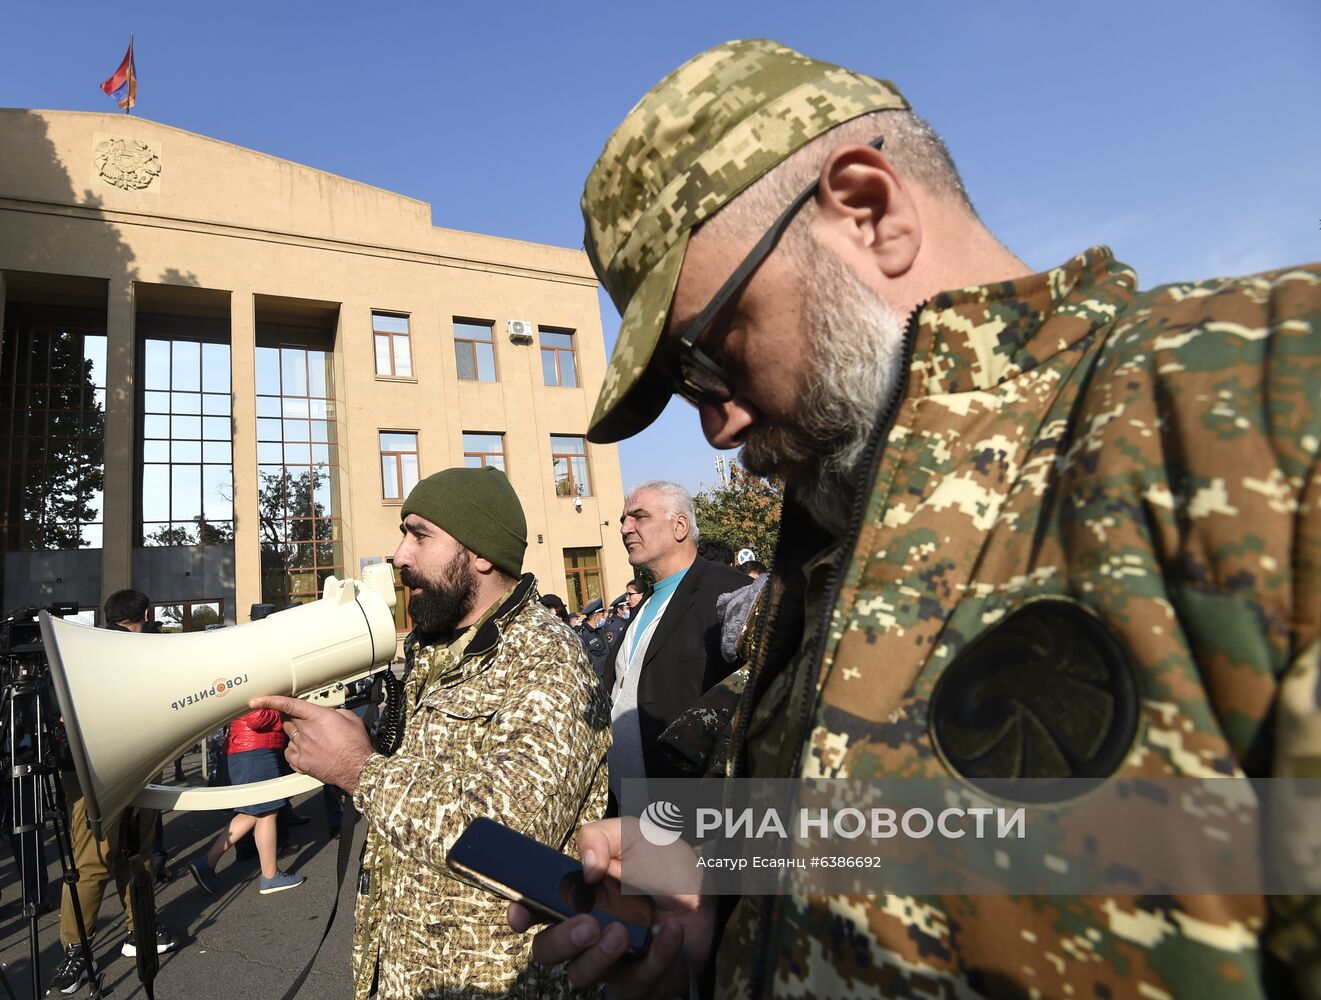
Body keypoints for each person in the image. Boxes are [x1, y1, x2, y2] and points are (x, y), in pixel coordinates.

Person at [512, 38, 1321, 999]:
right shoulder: (833, 531)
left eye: (709, 354)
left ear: (868, 213)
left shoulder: (1262, 390)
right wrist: (718, 872)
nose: (718, 422)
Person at [251, 466, 610, 999]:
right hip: (404, 973)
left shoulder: (546, 658)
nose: (399, 555)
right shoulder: (435, 647)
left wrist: (358, 768)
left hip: (493, 981)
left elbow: (509, 845)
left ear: (481, 552)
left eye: (420, 534)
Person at [47, 589, 179, 996]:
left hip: (122, 766)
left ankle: (133, 931)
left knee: (124, 857)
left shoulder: (90, 651)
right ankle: (79, 950)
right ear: (146, 612)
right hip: (97, 770)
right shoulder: (96, 654)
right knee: (98, 862)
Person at [604, 481, 748, 804]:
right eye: (623, 519)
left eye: (639, 517)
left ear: (679, 526)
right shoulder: (643, 606)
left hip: (691, 815)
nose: (625, 528)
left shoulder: (728, 592)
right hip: (625, 811)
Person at [187, 708, 306, 896]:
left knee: (252, 812)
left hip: (247, 749)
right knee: (267, 812)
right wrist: (285, 713)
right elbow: (256, 718)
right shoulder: (263, 680)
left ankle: (207, 863)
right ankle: (270, 876)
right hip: (256, 751)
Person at [576, 599, 610, 680]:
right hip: (596, 678)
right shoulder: (583, 634)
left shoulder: (600, 630)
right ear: (595, 616)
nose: (604, 618)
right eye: (602, 615)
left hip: (607, 674)